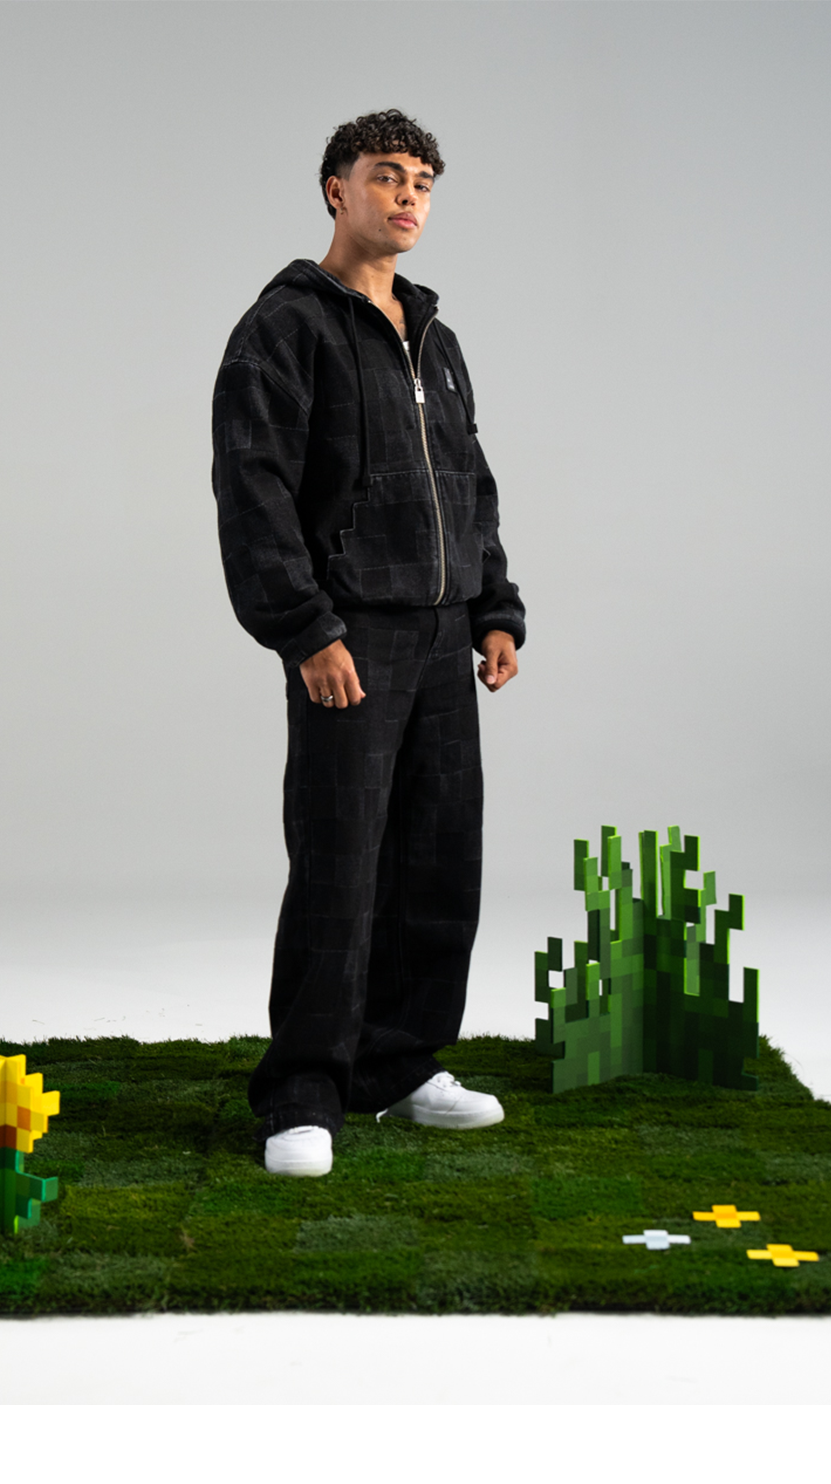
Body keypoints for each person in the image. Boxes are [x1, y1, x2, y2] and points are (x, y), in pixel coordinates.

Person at [212, 109, 525, 1177]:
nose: (408, 197)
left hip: (442, 641)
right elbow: (253, 490)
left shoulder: (436, 335)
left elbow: (470, 485)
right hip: (349, 639)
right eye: (387, 176)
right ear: (335, 190)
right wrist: (306, 629)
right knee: (340, 866)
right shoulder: (284, 328)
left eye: (423, 183)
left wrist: (494, 607)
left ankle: (397, 1064)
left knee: (439, 861)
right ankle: (303, 1093)